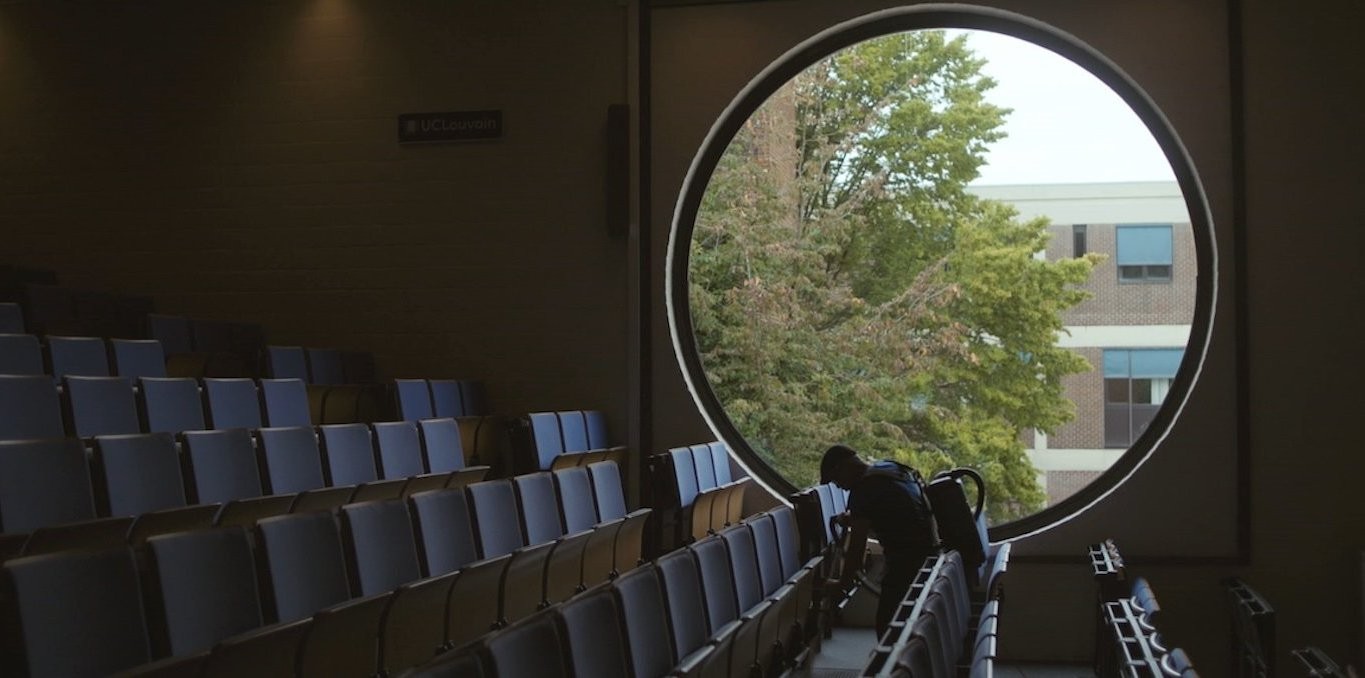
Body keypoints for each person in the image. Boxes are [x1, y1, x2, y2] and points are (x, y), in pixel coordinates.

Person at [819, 443, 936, 640]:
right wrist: (854, 519)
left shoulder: (862, 490)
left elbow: (856, 549)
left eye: (836, 479)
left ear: (843, 468)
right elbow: (894, 513)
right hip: (928, 557)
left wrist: (841, 584)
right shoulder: (887, 468)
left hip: (905, 565)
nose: (838, 486)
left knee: (887, 628)